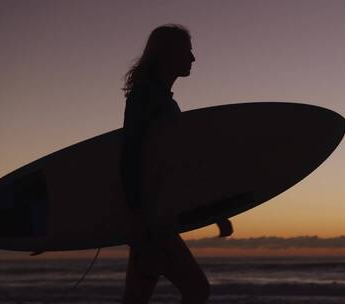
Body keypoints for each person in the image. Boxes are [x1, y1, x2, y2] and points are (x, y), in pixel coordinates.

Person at [120, 24, 215, 304]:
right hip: (153, 218)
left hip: (153, 214)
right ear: (168, 54)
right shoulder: (148, 98)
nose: (193, 59)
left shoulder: (155, 97)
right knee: (197, 290)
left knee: (135, 300)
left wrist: (214, 209)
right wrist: (139, 214)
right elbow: (133, 155)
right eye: (187, 51)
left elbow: (173, 164)